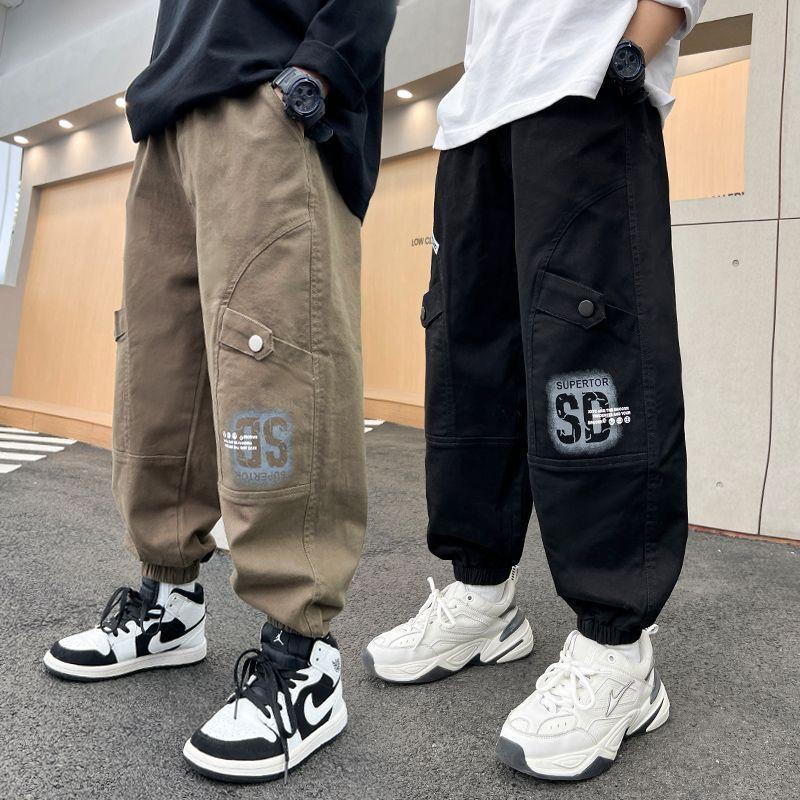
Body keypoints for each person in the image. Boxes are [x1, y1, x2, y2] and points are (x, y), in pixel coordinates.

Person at [42, 0, 396, 783]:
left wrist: (321, 69)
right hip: (170, 115)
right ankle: (168, 601)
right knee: (158, 370)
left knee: (275, 370)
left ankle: (303, 658)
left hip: (271, 94)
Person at [365, 0, 705, 781]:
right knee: (467, 352)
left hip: (587, 80)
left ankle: (619, 652)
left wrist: (634, 47)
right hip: (479, 114)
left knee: (589, 353)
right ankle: (481, 595)